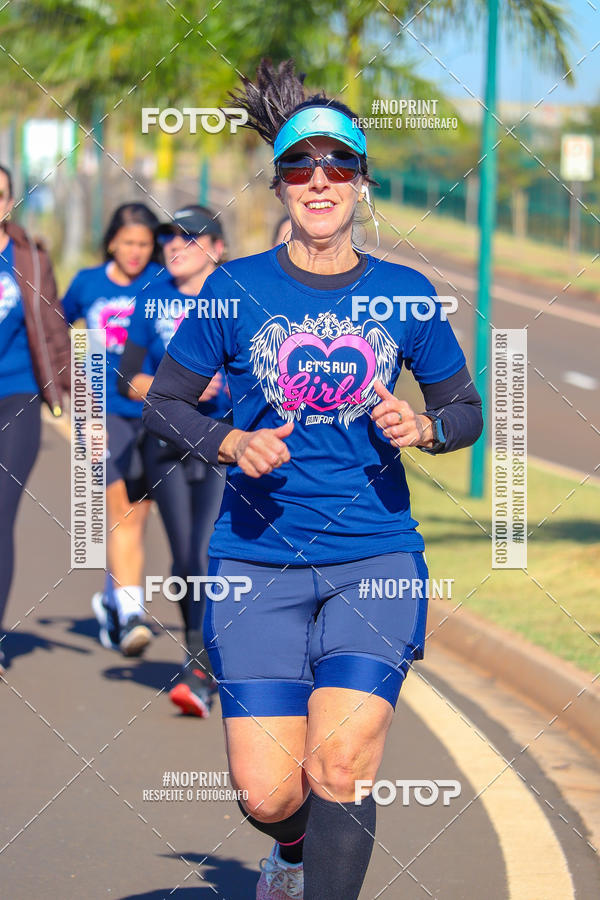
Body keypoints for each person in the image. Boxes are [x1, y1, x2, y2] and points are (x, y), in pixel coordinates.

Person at [143, 59, 483, 900]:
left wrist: (427, 428)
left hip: (375, 555)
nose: (319, 180)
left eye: (338, 166)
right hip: (256, 560)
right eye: (301, 165)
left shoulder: (405, 296)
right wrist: (230, 445)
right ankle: (289, 848)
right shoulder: (233, 288)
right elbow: (167, 404)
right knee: (268, 791)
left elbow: (466, 406)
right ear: (282, 182)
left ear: (360, 182)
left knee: (341, 763)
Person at [119, 205, 230, 716]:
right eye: (170, 237)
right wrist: (170, 387)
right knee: (186, 556)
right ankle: (197, 654)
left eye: (189, 237)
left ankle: (207, 665)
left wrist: (224, 384)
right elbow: (129, 374)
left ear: (217, 249)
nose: (174, 246)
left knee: (207, 552)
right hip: (164, 441)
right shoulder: (153, 298)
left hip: (220, 442)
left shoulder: (232, 298)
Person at [62, 202, 164, 657]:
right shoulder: (87, 283)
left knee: (138, 513)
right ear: (111, 243)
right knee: (119, 503)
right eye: (128, 243)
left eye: (144, 244)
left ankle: (112, 600)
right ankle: (131, 615)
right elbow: (54, 325)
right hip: (99, 407)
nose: (137, 252)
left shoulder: (161, 283)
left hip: (153, 409)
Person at [0, 165, 71, 674]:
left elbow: (53, 323)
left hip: (18, 394)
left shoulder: (29, 255)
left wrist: (65, 390)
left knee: (1, 517)